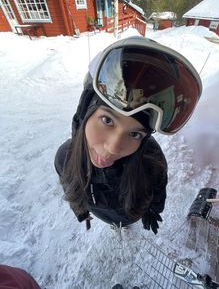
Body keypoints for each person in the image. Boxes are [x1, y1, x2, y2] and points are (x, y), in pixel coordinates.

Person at [54, 36, 202, 234]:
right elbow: (69, 185)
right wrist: (80, 209)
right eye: (107, 120)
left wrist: (152, 210)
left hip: (130, 216)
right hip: (103, 216)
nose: (114, 148)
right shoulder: (64, 157)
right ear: (84, 112)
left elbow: (158, 191)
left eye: (134, 134)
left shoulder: (151, 161)